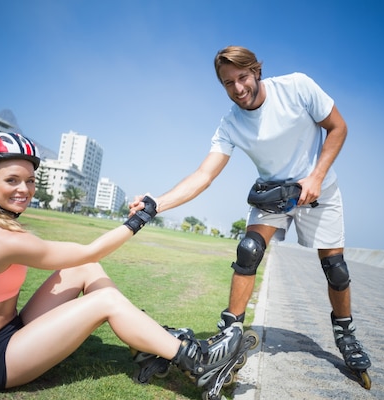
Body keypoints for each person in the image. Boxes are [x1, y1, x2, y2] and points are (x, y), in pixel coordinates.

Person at [0, 132, 245, 393]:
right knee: (105, 300)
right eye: (12, 180)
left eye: (29, 180)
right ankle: (197, 361)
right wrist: (143, 216)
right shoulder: (1, 239)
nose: (24, 189)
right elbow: (91, 251)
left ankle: (147, 346)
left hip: (9, 330)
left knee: (83, 270)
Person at [129, 46, 371, 374]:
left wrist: (316, 176)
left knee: (336, 268)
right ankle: (229, 334)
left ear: (256, 70)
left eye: (242, 77)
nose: (238, 88)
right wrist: (155, 203)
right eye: (228, 83)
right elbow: (204, 175)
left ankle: (346, 334)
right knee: (248, 250)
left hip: (318, 190)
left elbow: (338, 127)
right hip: (273, 195)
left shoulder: (297, 87)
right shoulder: (230, 124)